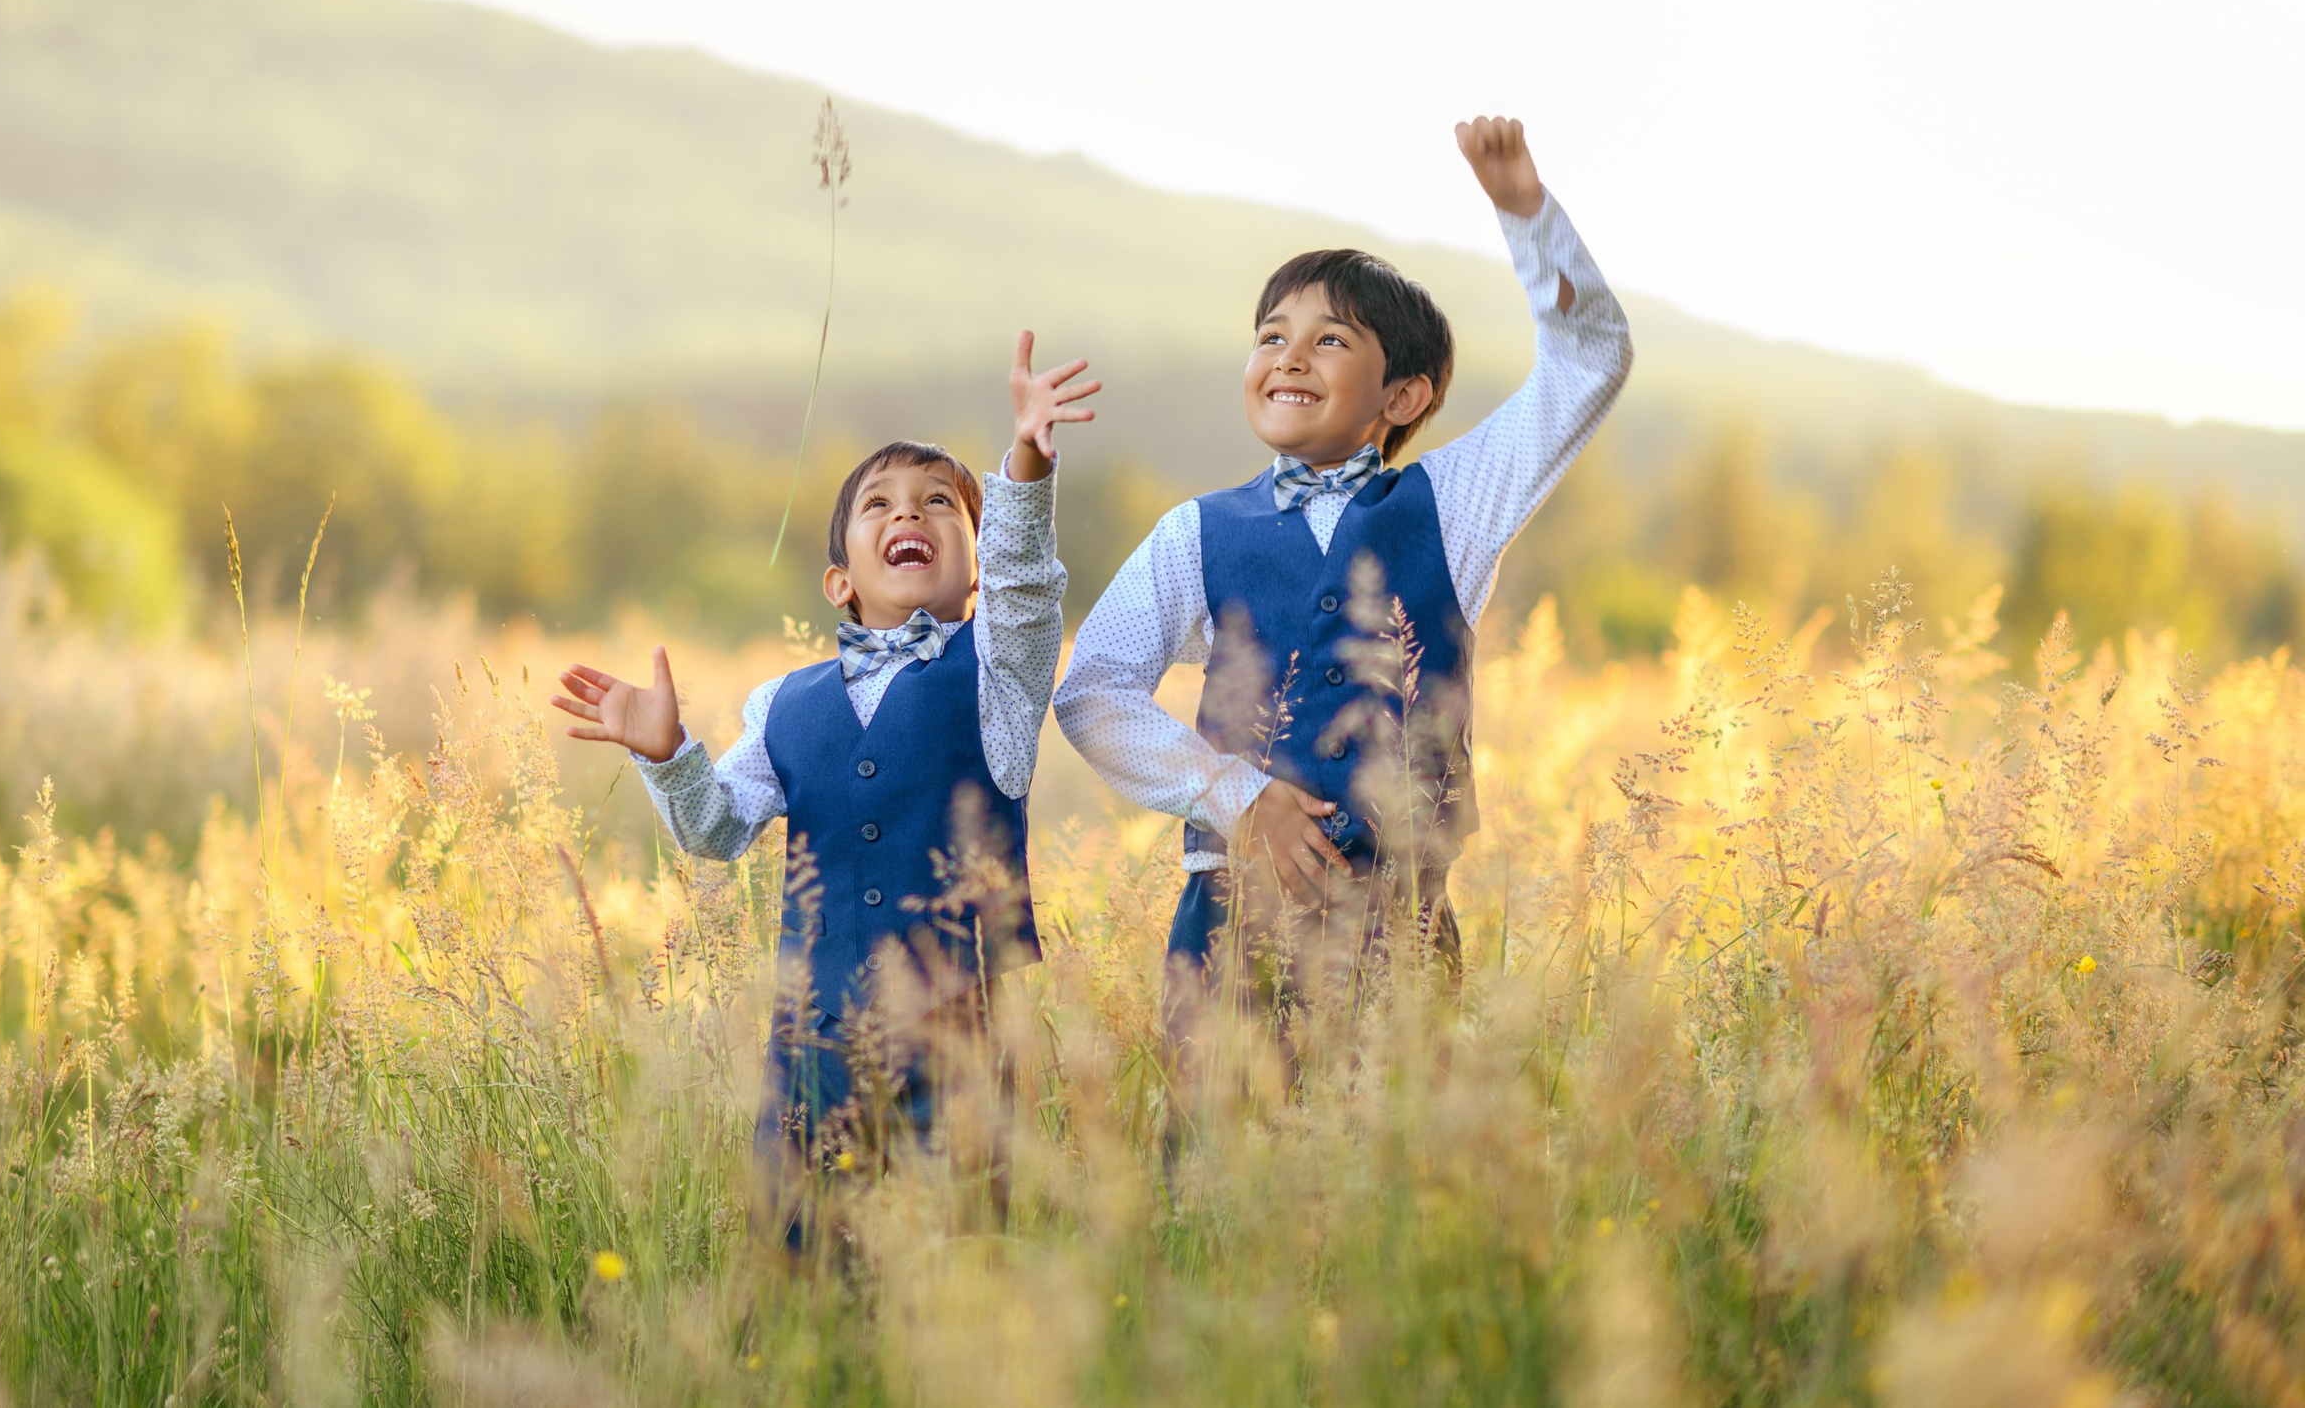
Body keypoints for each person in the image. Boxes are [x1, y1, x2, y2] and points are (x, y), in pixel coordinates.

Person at [1052, 115, 1631, 1033]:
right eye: (1271, 335)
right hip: (1229, 927)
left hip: (1397, 929)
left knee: (1392, 1167)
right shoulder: (1193, 532)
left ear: (1402, 398)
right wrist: (1235, 797)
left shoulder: (1452, 503)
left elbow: (1589, 362)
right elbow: (1091, 692)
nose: (1287, 355)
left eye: (1329, 341)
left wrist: (1527, 214)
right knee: (1218, 1166)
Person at [552, 332, 1098, 1201]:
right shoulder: (782, 704)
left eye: (939, 505)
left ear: (978, 570)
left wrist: (1027, 457)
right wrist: (667, 754)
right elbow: (716, 829)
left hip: (956, 1042)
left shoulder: (999, 673)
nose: (910, 515)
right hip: (811, 1046)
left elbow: (1029, 588)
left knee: (949, 1259)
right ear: (840, 581)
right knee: (802, 1262)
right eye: (879, 505)